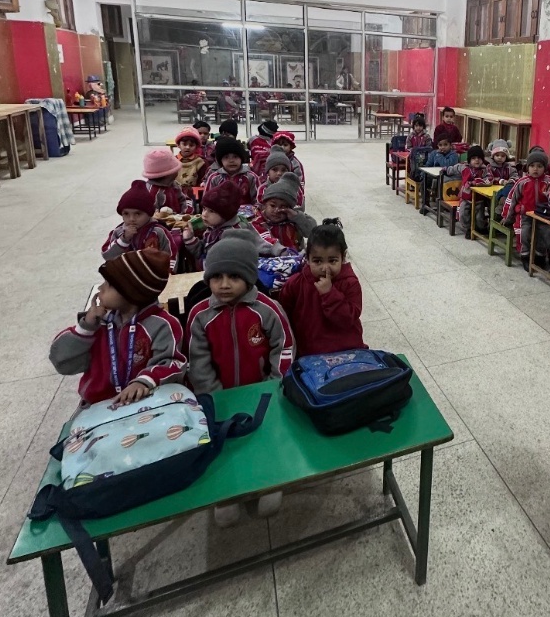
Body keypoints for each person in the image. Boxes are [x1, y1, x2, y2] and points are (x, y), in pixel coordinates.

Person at [186, 231, 294, 525]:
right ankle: (228, 493)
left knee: (268, 437)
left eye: (233, 276)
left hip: (263, 394)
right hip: (220, 396)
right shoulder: (200, 315)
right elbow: (198, 360)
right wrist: (213, 394)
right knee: (224, 442)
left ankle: (271, 481)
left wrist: (274, 383)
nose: (223, 284)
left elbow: (284, 346)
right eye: (216, 276)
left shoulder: (267, 310)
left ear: (248, 276)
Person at [49, 247, 185, 406]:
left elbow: (172, 363)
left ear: (131, 292)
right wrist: (85, 328)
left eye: (109, 284)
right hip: (97, 406)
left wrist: (144, 381)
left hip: (144, 403)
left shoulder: (162, 324)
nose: (100, 288)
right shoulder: (99, 324)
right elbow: (62, 363)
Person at [278, 220, 366, 356]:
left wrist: (329, 294)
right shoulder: (296, 283)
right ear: (307, 258)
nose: (325, 268)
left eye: (332, 261)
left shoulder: (350, 283)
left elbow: (347, 319)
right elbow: (283, 314)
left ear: (343, 257)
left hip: (347, 351)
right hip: (308, 353)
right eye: (317, 261)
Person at [184, 181, 271, 265]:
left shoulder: (235, 235)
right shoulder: (213, 227)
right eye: (204, 209)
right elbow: (203, 252)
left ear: (226, 214)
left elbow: (225, 265)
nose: (204, 214)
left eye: (212, 211)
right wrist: (190, 239)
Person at [502, 148, 550, 269]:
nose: (535, 169)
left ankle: (540, 256)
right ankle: (525, 256)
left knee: (544, 234)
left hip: (542, 215)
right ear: (527, 168)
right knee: (524, 234)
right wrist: (507, 217)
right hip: (525, 216)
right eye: (532, 166)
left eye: (539, 166)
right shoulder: (522, 182)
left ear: (544, 168)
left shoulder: (549, 183)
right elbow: (512, 200)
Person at [102, 181, 177, 260]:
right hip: (127, 272)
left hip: (155, 272)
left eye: (138, 214)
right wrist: (124, 239)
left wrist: (169, 272)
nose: (131, 219)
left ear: (149, 214)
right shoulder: (118, 233)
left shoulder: (159, 232)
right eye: (126, 214)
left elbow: (171, 255)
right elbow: (107, 257)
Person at [250, 176, 317, 250]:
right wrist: (282, 251)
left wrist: (297, 217)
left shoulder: (293, 221)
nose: (277, 210)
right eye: (272, 205)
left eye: (283, 207)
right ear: (264, 206)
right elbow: (264, 241)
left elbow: (313, 232)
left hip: (296, 258)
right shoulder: (258, 223)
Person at [203, 137, 258, 205]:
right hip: (221, 214)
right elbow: (207, 200)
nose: (231, 161)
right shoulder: (214, 178)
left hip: (247, 214)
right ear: (220, 160)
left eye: (235, 157)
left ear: (241, 158)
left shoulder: (251, 177)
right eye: (226, 157)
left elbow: (258, 200)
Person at [420, 135, 461, 214]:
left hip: (448, 177)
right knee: (424, 181)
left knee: (440, 183)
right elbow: (429, 164)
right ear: (437, 146)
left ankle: (442, 205)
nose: (443, 147)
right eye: (440, 145)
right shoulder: (434, 153)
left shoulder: (453, 155)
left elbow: (446, 165)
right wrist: (423, 173)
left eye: (445, 145)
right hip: (435, 175)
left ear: (450, 145)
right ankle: (425, 203)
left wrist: (440, 155)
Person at [143, 147, 191, 214]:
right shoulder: (152, 193)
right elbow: (151, 215)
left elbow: (184, 199)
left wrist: (186, 211)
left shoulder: (174, 184)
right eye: (176, 169)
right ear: (169, 174)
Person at [457, 144, 491, 238]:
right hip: (466, 198)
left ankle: (480, 228)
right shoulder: (464, 167)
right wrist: (446, 169)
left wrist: (475, 182)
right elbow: (454, 168)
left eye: (479, 158)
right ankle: (468, 229)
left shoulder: (485, 169)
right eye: (474, 158)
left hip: (479, 199)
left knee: (479, 218)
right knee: (463, 214)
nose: (477, 160)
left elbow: (489, 180)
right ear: (469, 160)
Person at [174, 127, 208, 193]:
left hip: (194, 195)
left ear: (196, 146)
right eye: (184, 144)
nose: (187, 147)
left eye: (191, 145)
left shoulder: (201, 162)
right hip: (175, 193)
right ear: (178, 145)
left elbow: (203, 182)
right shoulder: (172, 161)